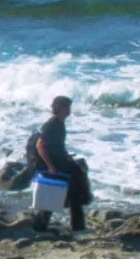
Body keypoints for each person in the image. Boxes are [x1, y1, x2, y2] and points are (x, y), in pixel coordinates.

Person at [31, 95, 92, 232]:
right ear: (59, 108)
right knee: (58, 193)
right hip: (54, 165)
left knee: (72, 193)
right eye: (67, 107)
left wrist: (68, 157)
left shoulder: (59, 124)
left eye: (69, 107)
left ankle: (77, 226)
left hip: (60, 162)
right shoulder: (52, 125)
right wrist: (50, 166)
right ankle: (43, 224)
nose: (69, 110)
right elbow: (40, 145)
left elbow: (59, 146)